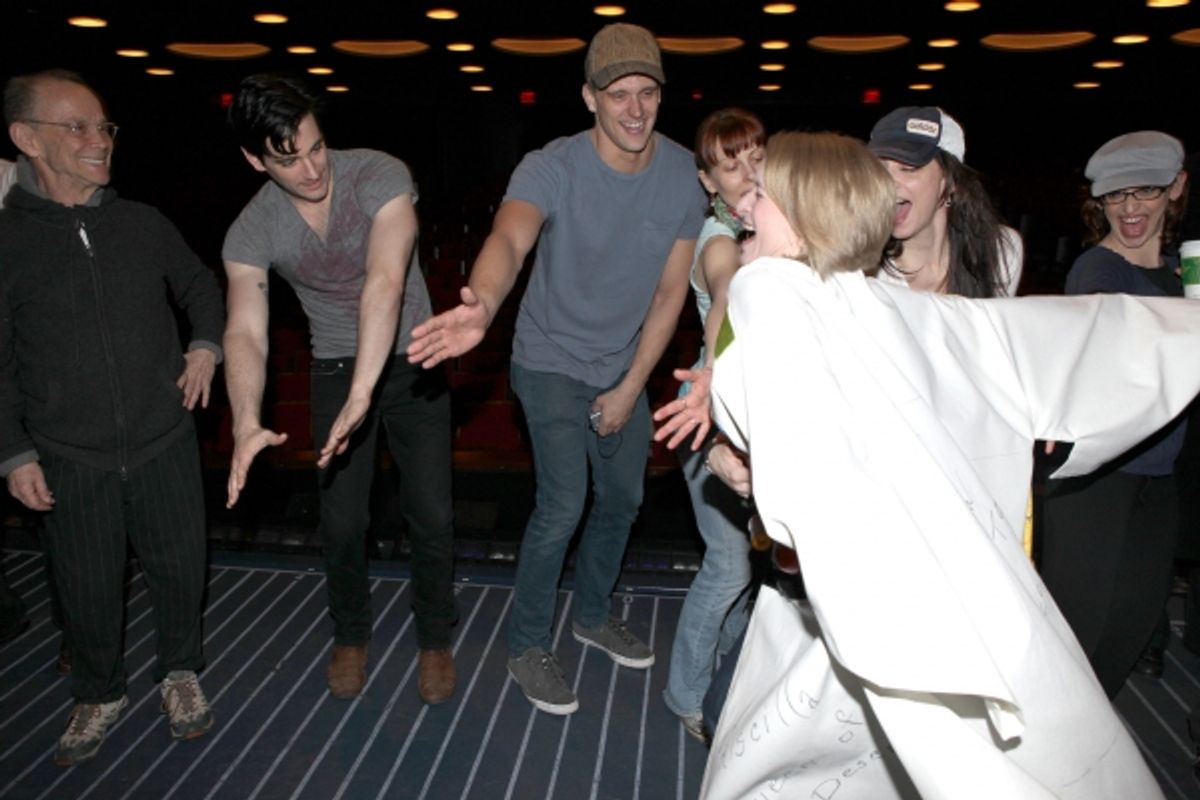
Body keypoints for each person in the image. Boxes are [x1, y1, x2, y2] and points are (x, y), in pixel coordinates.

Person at [700, 131, 1199, 799]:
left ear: (803, 210)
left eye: (760, 195)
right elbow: (1081, 336)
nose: (742, 207)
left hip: (873, 601)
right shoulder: (888, 305)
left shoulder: (773, 289)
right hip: (906, 597)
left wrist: (753, 457)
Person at [408, 23, 706, 715]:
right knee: (563, 504)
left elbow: (670, 294)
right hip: (546, 359)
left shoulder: (682, 176)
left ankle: (592, 615)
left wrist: (630, 387)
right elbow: (509, 237)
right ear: (589, 98)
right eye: (618, 94)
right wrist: (483, 303)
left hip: (622, 363)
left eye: (648, 93)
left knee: (623, 500)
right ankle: (526, 645)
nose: (635, 109)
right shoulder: (551, 167)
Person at [0, 69, 221, 766]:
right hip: (68, 453)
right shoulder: (6, 241)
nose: (99, 140)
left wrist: (206, 345)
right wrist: (13, 452)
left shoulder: (141, 222)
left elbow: (201, 285)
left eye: (103, 127)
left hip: (165, 438)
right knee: (86, 586)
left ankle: (180, 671)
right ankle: (98, 693)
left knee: (180, 569)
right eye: (77, 127)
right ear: (26, 138)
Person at [222, 73, 457, 704]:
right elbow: (244, 330)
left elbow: (385, 280)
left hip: (414, 355)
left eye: (316, 147)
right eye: (287, 159)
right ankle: (351, 633)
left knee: (431, 512)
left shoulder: (379, 174)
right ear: (255, 160)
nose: (311, 169)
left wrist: (365, 392)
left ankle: (435, 636)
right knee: (343, 519)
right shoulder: (251, 230)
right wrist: (245, 420)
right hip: (334, 366)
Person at [1039, 131, 1189, 697]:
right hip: (1098, 475)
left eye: (1145, 191)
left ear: (1176, 188)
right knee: (1078, 636)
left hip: (1159, 475)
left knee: (1130, 629)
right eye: (1114, 195)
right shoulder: (1100, 271)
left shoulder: (1182, 273)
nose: (1128, 208)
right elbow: (1116, 347)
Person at [656, 108, 762, 743]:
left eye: (756, 156)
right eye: (730, 163)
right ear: (707, 179)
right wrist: (714, 379)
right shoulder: (719, 242)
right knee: (728, 569)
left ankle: (728, 679)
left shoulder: (767, 230)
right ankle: (687, 695)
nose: (748, 171)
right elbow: (725, 295)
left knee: (747, 568)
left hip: (749, 421)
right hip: (706, 416)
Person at [867, 106, 1022, 297]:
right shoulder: (863, 271)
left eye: (907, 168)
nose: (887, 183)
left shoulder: (999, 252)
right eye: (879, 169)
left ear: (951, 181)